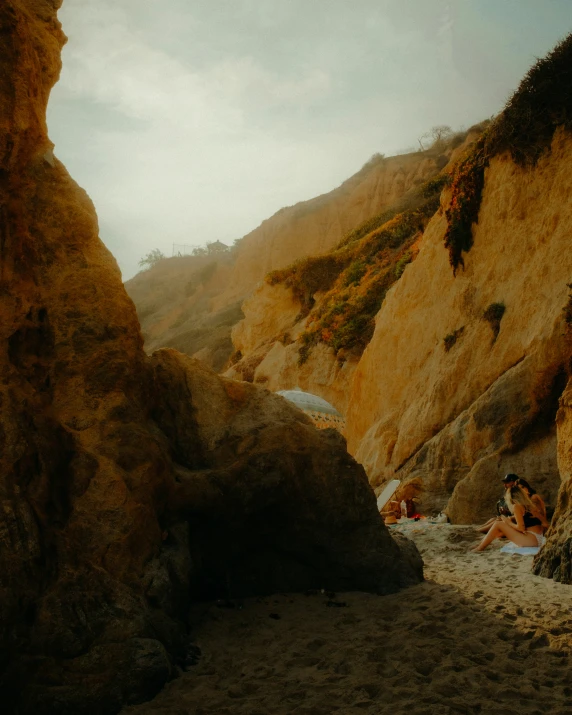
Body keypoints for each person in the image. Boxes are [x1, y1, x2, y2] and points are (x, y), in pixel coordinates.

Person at [471, 484, 547, 552]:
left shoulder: (517, 506)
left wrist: (507, 521)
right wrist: (510, 519)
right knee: (501, 525)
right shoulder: (530, 505)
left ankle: (480, 547)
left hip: (531, 541)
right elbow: (544, 523)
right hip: (538, 539)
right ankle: (481, 544)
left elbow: (521, 528)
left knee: (498, 524)